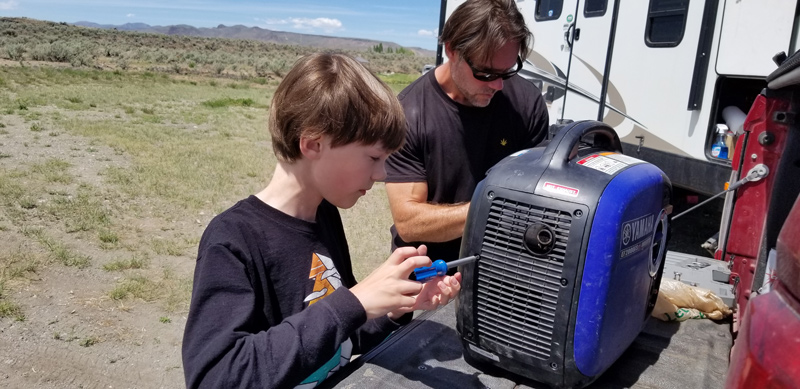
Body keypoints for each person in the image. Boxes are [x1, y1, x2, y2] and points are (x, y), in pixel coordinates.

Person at [182, 52, 462, 389]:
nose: (382, 174)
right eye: (373, 157)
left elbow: (342, 338)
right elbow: (216, 377)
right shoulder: (234, 238)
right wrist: (354, 302)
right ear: (314, 144)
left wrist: (393, 307)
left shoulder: (324, 216)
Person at [385, 0, 550, 263]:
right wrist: (493, 206)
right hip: (430, 271)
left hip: (502, 268)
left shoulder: (526, 103)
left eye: (507, 72)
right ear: (451, 49)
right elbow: (410, 223)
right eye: (485, 73)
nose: (497, 85)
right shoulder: (409, 113)